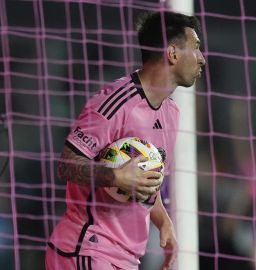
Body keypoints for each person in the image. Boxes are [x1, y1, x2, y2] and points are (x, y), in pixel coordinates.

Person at [46, 11, 205, 270]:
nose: (202, 59)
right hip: (86, 248)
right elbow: (66, 165)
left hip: (125, 258)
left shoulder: (171, 113)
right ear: (172, 53)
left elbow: (144, 181)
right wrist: (114, 177)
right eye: (196, 48)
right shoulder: (114, 103)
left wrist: (163, 221)